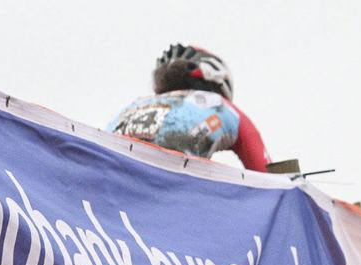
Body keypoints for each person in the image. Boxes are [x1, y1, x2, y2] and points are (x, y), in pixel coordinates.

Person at [108, 44, 270, 171]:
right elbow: (269, 177)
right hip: (174, 175)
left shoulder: (136, 104)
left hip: (111, 161)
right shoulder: (222, 106)